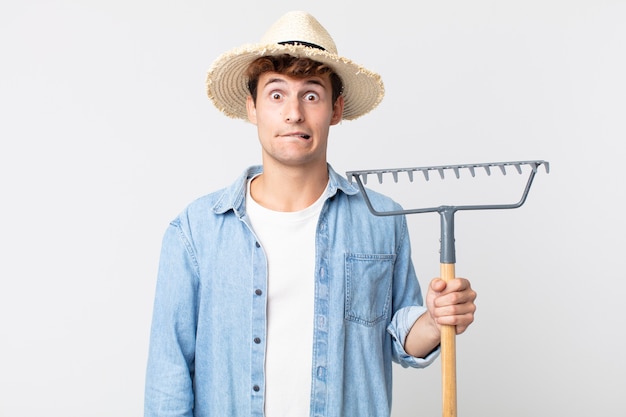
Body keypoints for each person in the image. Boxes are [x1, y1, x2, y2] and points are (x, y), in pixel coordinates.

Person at [144, 10, 477, 417]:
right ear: (252, 108)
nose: (294, 113)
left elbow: (399, 338)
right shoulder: (196, 231)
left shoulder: (380, 219)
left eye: (312, 95)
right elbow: (168, 377)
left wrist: (435, 319)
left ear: (336, 109)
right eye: (277, 94)